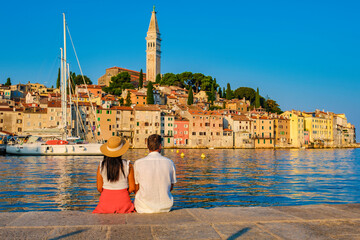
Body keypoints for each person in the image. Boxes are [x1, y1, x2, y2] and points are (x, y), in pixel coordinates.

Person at [134, 134, 177, 213]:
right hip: (166, 207)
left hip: (142, 207)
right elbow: (171, 187)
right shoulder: (170, 162)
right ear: (160, 146)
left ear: (147, 146)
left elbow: (136, 189)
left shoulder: (138, 163)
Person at [93, 136, 135, 214]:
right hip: (123, 202)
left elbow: (99, 188)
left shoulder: (101, 166)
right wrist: (123, 193)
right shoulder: (128, 165)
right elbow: (132, 188)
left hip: (105, 203)